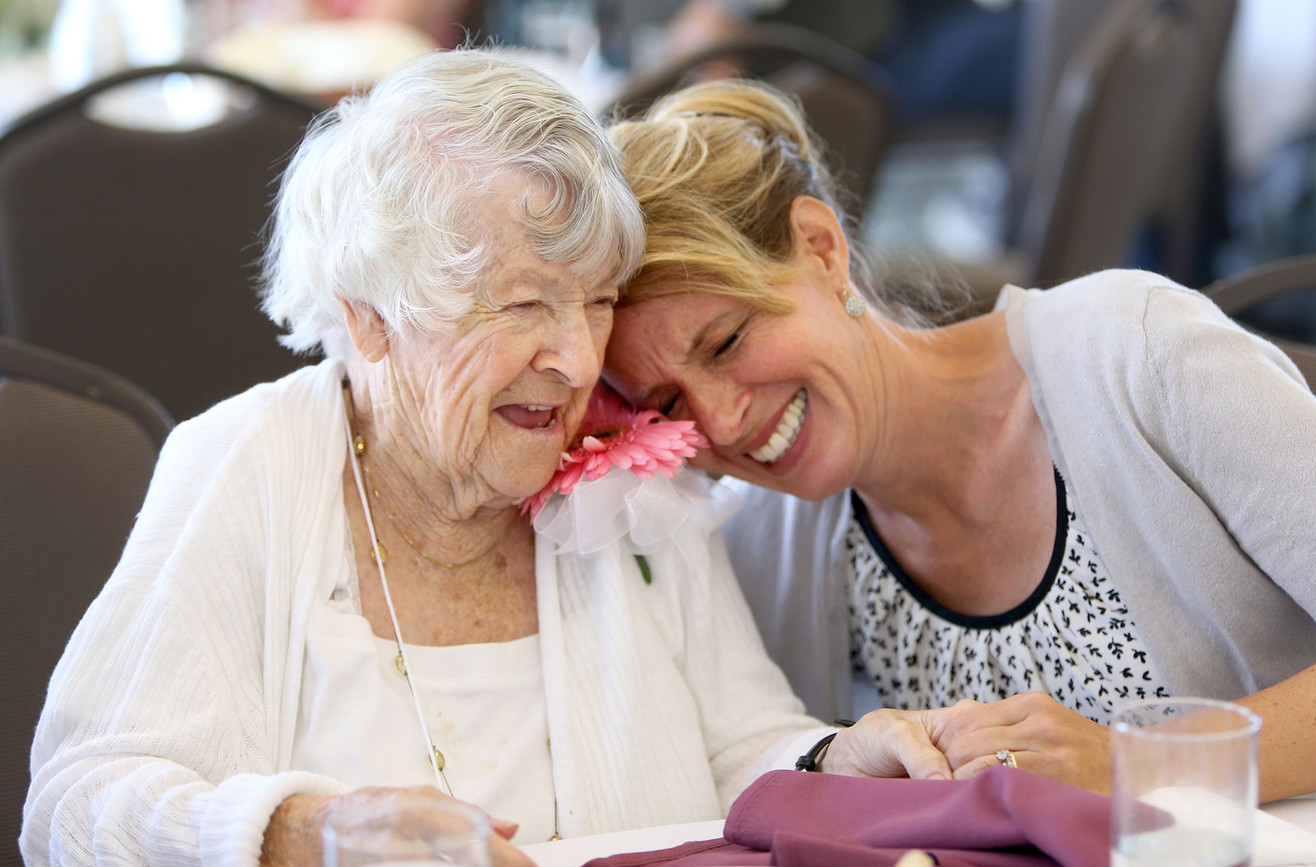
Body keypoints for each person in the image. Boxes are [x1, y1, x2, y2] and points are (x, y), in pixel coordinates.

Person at [21, 50, 894, 867]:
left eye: (594, 302)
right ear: (370, 315)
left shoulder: (624, 472)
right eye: (521, 303)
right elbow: (75, 803)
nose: (576, 360)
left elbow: (741, 741)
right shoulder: (253, 462)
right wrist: (302, 832)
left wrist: (840, 754)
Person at [601, 78, 1316, 803]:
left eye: (728, 341)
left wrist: (1133, 763)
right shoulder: (759, 551)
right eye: (667, 405)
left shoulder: (1137, 355)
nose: (722, 422)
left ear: (821, 250)